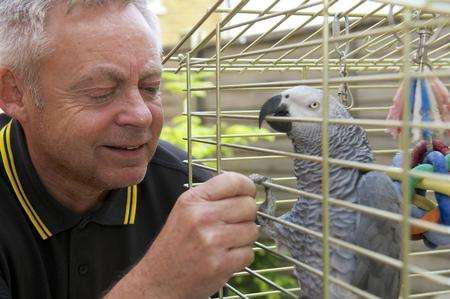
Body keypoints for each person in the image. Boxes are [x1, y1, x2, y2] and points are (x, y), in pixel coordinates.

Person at [0, 1, 259, 298]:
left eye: (150, 88)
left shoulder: (188, 191)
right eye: (101, 92)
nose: (142, 116)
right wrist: (160, 286)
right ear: (15, 93)